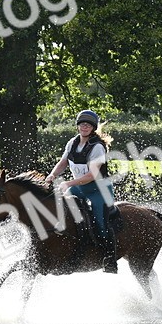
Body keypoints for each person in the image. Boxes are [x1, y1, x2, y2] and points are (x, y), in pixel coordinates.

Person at [45, 109, 119, 273]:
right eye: (82, 124)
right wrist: (52, 175)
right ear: (78, 126)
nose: (84, 127)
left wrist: (68, 183)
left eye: (88, 125)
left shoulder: (98, 147)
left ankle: (110, 259)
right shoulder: (72, 143)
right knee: (62, 211)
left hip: (99, 189)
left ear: (93, 128)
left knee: (101, 222)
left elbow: (92, 175)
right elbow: (63, 162)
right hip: (79, 187)